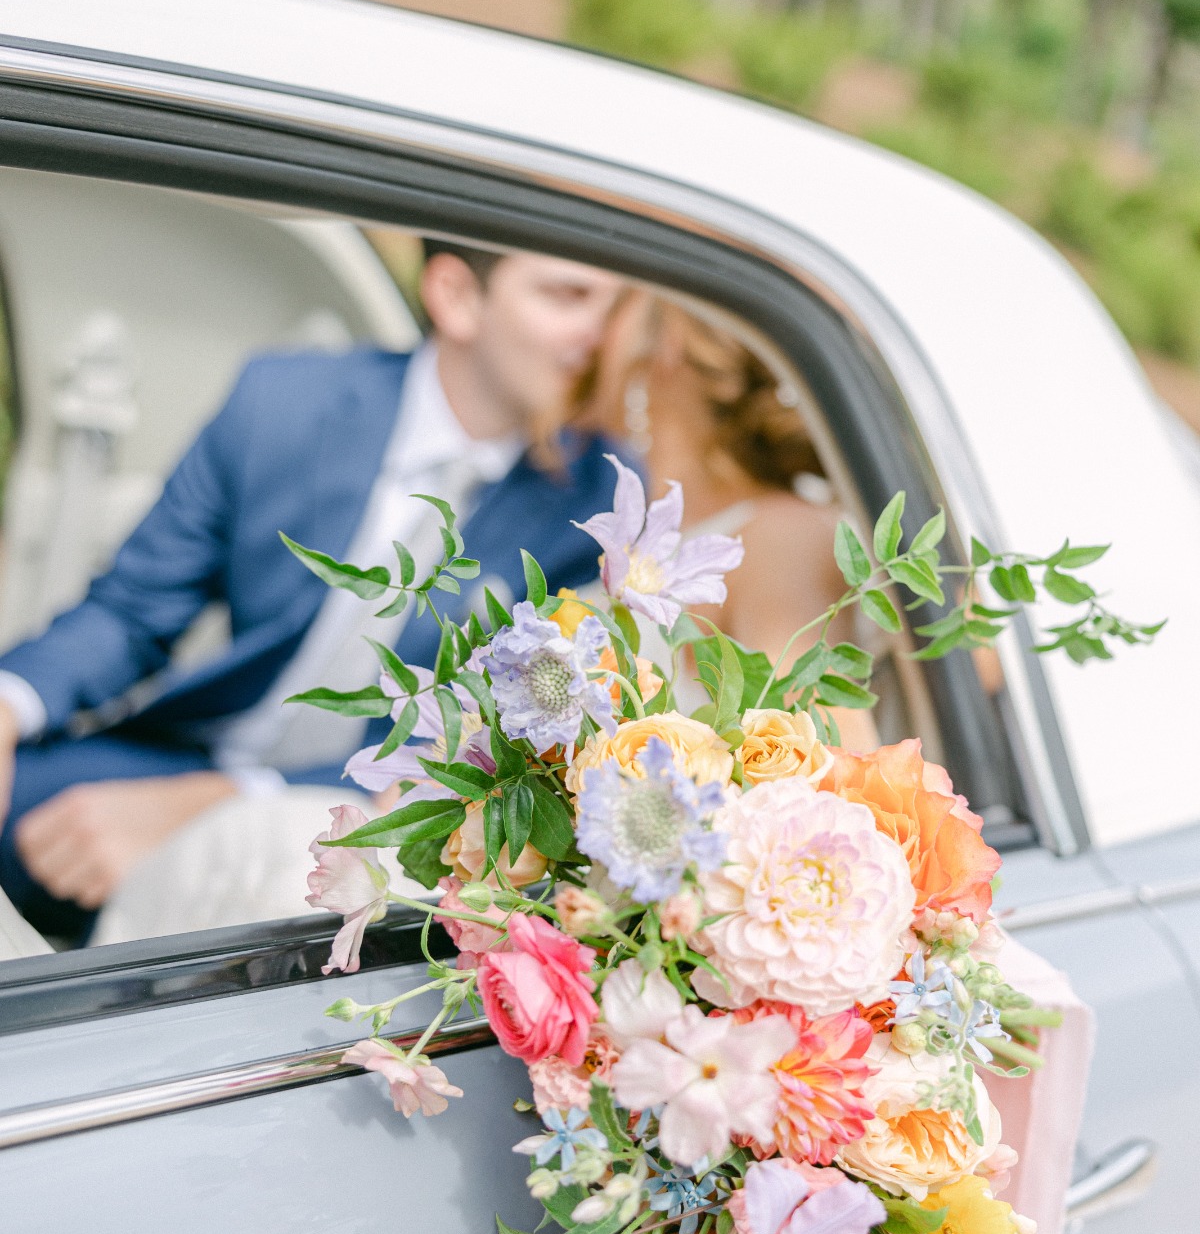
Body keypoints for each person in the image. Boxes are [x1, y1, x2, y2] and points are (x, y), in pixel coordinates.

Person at [0, 244, 623, 941]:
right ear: (456, 296)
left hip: (378, 815)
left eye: (612, 303)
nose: (600, 333)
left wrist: (217, 804)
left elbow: (490, 747)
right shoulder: (281, 401)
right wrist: (8, 703)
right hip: (194, 751)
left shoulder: (599, 501)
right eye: (567, 296)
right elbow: (131, 612)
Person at [579, 292, 875, 707]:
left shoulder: (780, 540)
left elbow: (819, 755)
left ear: (669, 341)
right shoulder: (646, 523)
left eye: (610, 306)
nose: (586, 335)